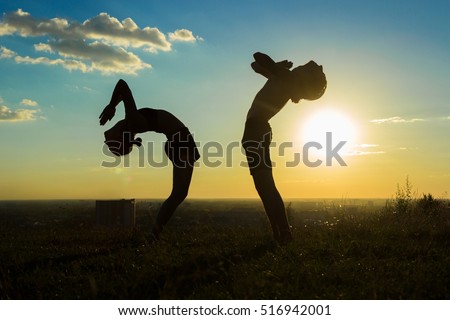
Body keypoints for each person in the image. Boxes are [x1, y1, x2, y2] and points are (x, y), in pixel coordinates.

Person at [99, 79, 200, 242]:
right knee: (178, 194)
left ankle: (155, 234)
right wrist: (112, 106)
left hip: (177, 140)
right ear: (121, 133)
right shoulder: (132, 121)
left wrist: (113, 105)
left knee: (179, 194)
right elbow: (122, 85)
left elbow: (122, 91)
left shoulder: (132, 122)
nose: (115, 126)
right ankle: (154, 234)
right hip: (179, 140)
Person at [242, 52, 327, 244]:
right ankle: (280, 234)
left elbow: (258, 56)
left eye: (305, 68)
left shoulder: (286, 77)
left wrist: (276, 65)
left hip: (256, 130)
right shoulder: (283, 77)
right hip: (256, 130)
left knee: (266, 187)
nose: (301, 66)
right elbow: (255, 66)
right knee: (265, 187)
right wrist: (274, 68)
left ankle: (284, 234)